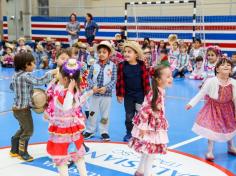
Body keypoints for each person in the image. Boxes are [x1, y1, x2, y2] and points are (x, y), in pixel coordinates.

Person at [45, 59, 92, 176]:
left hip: (62, 130)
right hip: (72, 129)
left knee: (61, 159)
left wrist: (70, 89)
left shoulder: (64, 92)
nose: (57, 75)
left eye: (59, 74)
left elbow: (66, 107)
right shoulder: (74, 90)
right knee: (77, 156)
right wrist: (91, 92)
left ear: (65, 79)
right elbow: (79, 102)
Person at [186, 58, 236, 161]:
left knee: (229, 127)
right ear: (217, 69)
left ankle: (230, 146)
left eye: (228, 65)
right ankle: (210, 150)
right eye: (223, 65)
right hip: (214, 107)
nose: (226, 66)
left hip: (228, 108)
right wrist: (191, 103)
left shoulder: (233, 82)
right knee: (212, 128)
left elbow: (235, 98)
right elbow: (201, 93)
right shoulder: (211, 81)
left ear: (231, 69)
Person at [9, 52, 56, 162]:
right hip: (23, 110)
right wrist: (50, 73)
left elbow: (12, 87)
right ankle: (22, 152)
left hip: (16, 108)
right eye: (33, 63)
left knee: (23, 128)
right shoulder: (26, 76)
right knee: (28, 130)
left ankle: (14, 149)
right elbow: (39, 81)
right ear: (26, 65)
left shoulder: (15, 75)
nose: (35, 65)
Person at [128, 65, 173, 176]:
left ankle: (140, 171)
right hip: (149, 126)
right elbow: (145, 109)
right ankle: (147, 173)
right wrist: (143, 127)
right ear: (158, 79)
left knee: (147, 150)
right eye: (167, 77)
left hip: (155, 124)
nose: (170, 79)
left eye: (171, 76)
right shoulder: (154, 93)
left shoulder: (161, 91)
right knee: (150, 152)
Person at [116, 41, 150, 142]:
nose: (126, 53)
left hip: (140, 95)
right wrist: (119, 94)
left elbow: (146, 81)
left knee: (140, 115)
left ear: (136, 54)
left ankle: (141, 132)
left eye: (129, 51)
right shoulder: (122, 65)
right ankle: (129, 133)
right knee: (129, 116)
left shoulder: (142, 65)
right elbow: (119, 81)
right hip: (128, 96)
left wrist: (148, 95)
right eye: (125, 51)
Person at [83, 41, 117, 141]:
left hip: (107, 95)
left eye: (104, 52)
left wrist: (106, 88)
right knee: (92, 112)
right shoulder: (94, 65)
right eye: (100, 52)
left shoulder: (113, 66)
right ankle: (90, 130)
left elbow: (114, 79)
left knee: (105, 114)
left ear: (109, 54)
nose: (101, 54)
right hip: (94, 94)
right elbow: (89, 78)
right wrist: (93, 86)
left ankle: (104, 131)